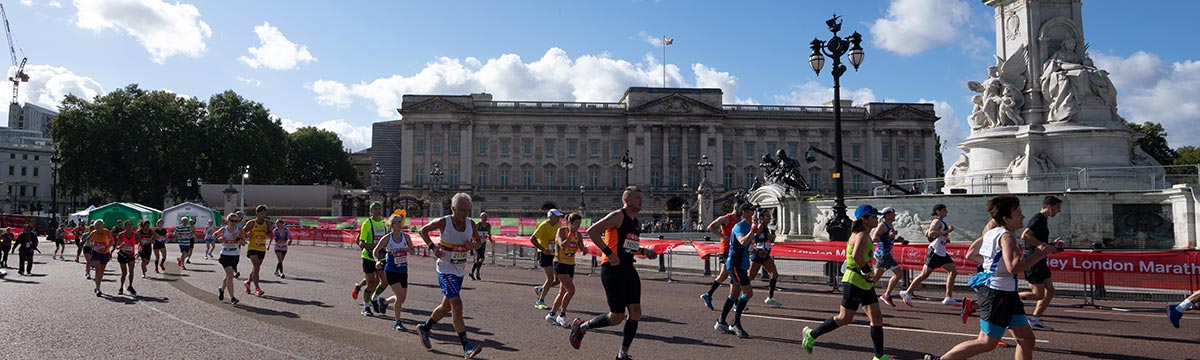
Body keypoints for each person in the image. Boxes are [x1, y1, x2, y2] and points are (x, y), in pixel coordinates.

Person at [924, 195, 1060, 360]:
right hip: (998, 294)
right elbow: (1014, 268)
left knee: (1026, 339)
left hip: (1005, 292)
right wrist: (1040, 254)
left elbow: (971, 254)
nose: (1023, 216)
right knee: (986, 342)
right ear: (1006, 218)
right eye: (1018, 213)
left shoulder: (991, 232)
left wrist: (993, 267)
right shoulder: (1007, 237)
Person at [569, 186, 659, 360]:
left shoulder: (635, 222)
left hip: (628, 269)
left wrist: (644, 252)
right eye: (637, 198)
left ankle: (622, 354)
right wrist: (609, 253)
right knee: (617, 317)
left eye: (641, 198)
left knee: (635, 311)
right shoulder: (618, 216)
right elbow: (592, 231)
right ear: (627, 200)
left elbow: (628, 246)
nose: (641, 201)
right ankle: (581, 327)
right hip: (612, 270)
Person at [802, 204, 891, 360]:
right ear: (865, 219)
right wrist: (865, 271)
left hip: (864, 282)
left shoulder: (864, 233)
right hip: (855, 281)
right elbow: (857, 256)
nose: (877, 218)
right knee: (845, 318)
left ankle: (879, 356)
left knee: (876, 317)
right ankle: (811, 334)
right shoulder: (862, 235)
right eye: (874, 216)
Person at [416, 193, 484, 359]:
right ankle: (466, 345)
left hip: (459, 271)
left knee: (446, 307)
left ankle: (425, 328)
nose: (465, 214)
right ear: (453, 209)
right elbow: (423, 230)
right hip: (445, 269)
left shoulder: (471, 224)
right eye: (462, 210)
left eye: (468, 210)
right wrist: (433, 248)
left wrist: (473, 245)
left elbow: (478, 241)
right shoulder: (444, 222)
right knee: (457, 304)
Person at [901, 204, 960, 307]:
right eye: (944, 210)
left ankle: (948, 297)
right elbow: (930, 234)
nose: (946, 212)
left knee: (953, 272)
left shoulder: (941, 222)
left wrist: (945, 239)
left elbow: (935, 235)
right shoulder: (936, 221)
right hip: (935, 252)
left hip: (941, 252)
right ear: (938, 211)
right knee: (924, 274)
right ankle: (908, 292)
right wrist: (947, 231)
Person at [1018, 196, 1063, 331]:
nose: (1058, 211)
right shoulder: (1038, 218)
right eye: (1057, 208)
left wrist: (1052, 246)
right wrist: (1042, 245)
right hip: (1033, 261)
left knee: (1050, 291)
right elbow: (1025, 235)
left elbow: (1040, 243)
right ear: (1050, 206)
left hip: (1041, 260)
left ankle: (1035, 320)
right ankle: (1007, 296)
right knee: (1039, 294)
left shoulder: (1043, 220)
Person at [715, 203, 758, 339]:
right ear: (744, 212)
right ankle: (735, 323)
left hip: (741, 264)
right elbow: (742, 241)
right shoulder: (739, 226)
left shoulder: (747, 226)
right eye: (752, 211)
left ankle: (721, 321)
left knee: (734, 294)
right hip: (735, 264)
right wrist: (752, 231)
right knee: (748, 292)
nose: (754, 213)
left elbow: (749, 243)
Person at [372, 214, 415, 332]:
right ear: (391, 225)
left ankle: (384, 301)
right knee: (400, 297)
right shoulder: (387, 238)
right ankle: (397, 322)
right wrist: (377, 261)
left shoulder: (406, 237)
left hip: (403, 270)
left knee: (402, 299)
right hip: (391, 270)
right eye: (396, 222)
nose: (399, 224)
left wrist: (408, 250)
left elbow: (413, 252)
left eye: (400, 222)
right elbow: (375, 251)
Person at [701, 203, 743, 310]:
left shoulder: (740, 220)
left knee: (724, 275)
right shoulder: (725, 218)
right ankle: (735, 302)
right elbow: (710, 227)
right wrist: (722, 236)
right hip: (726, 250)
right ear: (736, 208)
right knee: (734, 276)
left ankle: (708, 294)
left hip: (735, 250)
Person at [547, 213, 586, 328]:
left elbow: (582, 248)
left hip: (570, 264)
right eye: (575, 224)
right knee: (571, 290)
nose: (577, 226)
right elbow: (563, 245)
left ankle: (552, 314)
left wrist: (585, 250)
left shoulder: (578, 235)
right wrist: (570, 234)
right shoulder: (561, 231)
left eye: (579, 224)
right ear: (569, 223)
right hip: (560, 263)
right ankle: (562, 314)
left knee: (563, 292)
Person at [353, 202, 388, 315]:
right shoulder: (367, 223)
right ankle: (366, 306)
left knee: (385, 281)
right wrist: (376, 246)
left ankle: (374, 298)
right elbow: (361, 243)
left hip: (381, 257)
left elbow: (388, 239)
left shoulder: (385, 223)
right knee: (372, 282)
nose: (378, 210)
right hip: (368, 256)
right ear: (371, 211)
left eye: (379, 208)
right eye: (375, 209)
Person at [747, 208, 783, 308]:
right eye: (767, 216)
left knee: (774, 274)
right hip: (758, 255)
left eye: (769, 216)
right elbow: (754, 239)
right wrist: (758, 250)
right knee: (750, 277)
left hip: (765, 255)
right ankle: (738, 296)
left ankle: (770, 297)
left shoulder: (767, 228)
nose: (770, 218)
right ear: (761, 218)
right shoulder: (760, 226)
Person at [873, 207, 908, 306]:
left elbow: (888, 240)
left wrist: (897, 240)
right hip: (883, 255)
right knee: (876, 277)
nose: (895, 215)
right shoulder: (882, 225)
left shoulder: (890, 225)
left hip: (888, 255)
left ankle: (886, 294)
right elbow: (875, 238)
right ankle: (864, 293)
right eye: (893, 213)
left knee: (898, 274)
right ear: (887, 215)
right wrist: (890, 237)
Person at [532, 209, 565, 309]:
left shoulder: (559, 224)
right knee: (550, 279)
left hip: (554, 254)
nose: (559, 218)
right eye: (557, 216)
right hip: (544, 254)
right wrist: (543, 249)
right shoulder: (543, 225)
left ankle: (541, 288)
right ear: (550, 217)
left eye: (559, 216)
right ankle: (540, 301)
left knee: (558, 280)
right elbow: (532, 239)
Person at [242, 205, 273, 296]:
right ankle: (257, 288)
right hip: (252, 247)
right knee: (256, 267)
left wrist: (267, 231)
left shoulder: (268, 223)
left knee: (256, 268)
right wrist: (248, 235)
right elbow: (243, 232)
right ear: (257, 213)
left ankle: (248, 282)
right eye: (261, 213)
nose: (263, 215)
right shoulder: (251, 223)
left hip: (261, 248)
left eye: (264, 213)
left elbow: (271, 236)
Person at [216, 213, 247, 305]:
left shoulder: (240, 230)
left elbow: (244, 243)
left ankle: (221, 289)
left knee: (228, 276)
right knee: (230, 275)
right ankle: (232, 298)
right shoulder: (224, 229)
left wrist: (237, 239)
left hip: (235, 256)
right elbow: (215, 235)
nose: (234, 223)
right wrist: (220, 239)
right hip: (225, 255)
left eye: (236, 221)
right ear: (228, 221)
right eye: (232, 221)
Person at [88, 220, 113, 297]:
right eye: (97, 227)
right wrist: (92, 246)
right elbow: (88, 239)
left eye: (100, 227)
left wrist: (107, 247)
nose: (98, 229)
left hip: (105, 253)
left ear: (103, 226)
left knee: (101, 272)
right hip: (96, 253)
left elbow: (112, 241)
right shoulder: (93, 233)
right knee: (97, 269)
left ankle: (97, 286)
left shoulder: (107, 232)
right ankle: (98, 289)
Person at [115, 221, 139, 296]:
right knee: (124, 273)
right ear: (125, 227)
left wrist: (139, 252)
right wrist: (121, 246)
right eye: (128, 225)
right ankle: (121, 287)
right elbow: (117, 247)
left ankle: (130, 286)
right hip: (122, 255)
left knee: (131, 271)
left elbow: (139, 243)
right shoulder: (121, 235)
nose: (130, 227)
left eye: (131, 225)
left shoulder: (136, 235)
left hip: (131, 255)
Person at [469, 212, 493, 281]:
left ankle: (473, 272)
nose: (485, 218)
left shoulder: (488, 226)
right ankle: (477, 272)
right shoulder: (477, 225)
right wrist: (471, 243)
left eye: (486, 217)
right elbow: (472, 233)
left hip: (483, 244)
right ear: (480, 217)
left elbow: (489, 234)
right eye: (483, 217)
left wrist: (491, 240)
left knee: (478, 260)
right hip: (477, 244)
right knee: (482, 258)